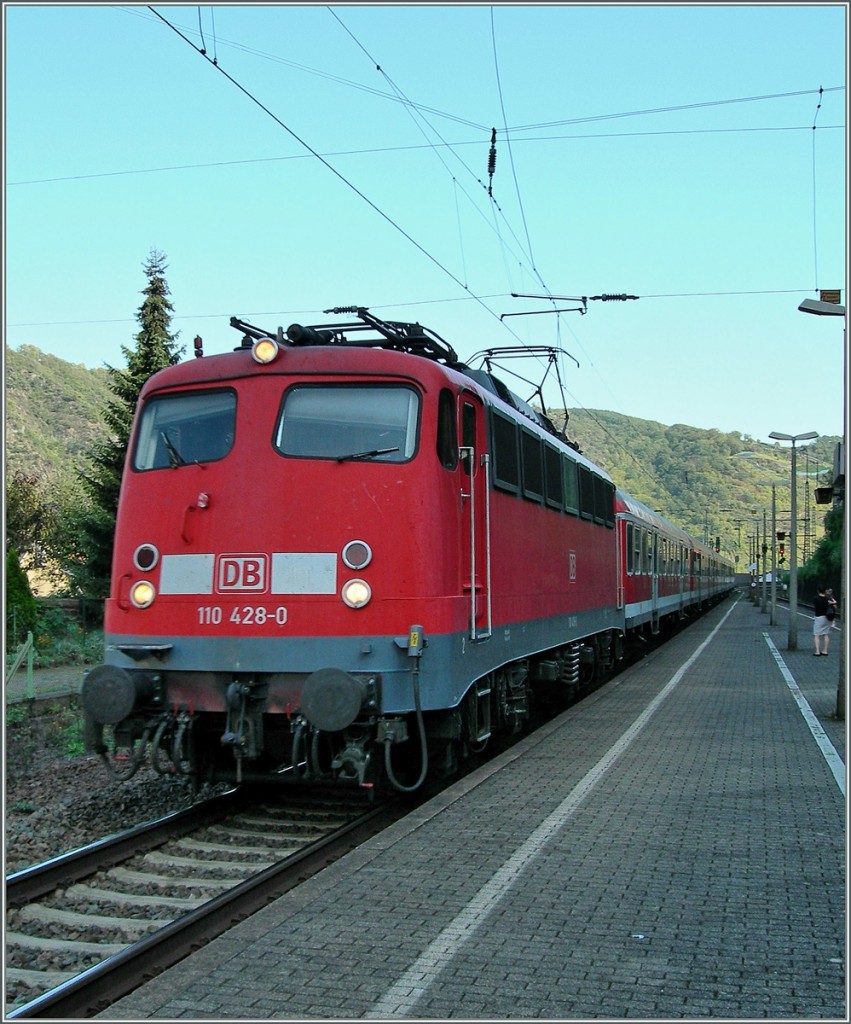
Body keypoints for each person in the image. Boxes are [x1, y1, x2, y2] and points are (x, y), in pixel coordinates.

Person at [812, 584, 833, 656]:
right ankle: (825, 650)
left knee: (817, 635)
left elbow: (815, 606)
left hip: (818, 618)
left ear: (818, 591)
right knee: (826, 634)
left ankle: (817, 651)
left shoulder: (815, 599)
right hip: (827, 618)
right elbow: (834, 605)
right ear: (825, 591)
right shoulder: (828, 599)